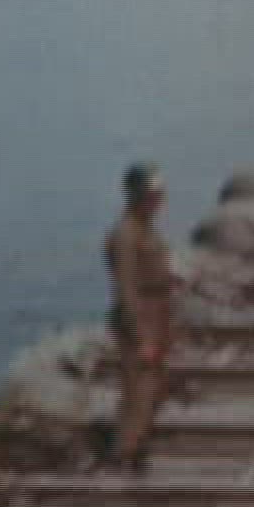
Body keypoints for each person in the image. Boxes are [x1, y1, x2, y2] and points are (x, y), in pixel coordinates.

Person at [104, 163, 183, 473]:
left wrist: (169, 279)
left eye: (159, 196)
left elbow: (150, 269)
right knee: (138, 391)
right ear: (136, 196)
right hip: (141, 319)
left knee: (155, 388)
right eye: (152, 196)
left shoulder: (146, 229)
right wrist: (141, 338)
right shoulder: (124, 234)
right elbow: (126, 289)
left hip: (159, 314)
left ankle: (139, 451)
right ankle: (124, 455)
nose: (158, 202)